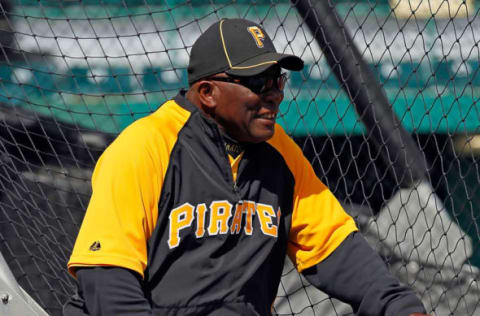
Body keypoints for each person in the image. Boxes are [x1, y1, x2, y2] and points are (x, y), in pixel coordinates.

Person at [64, 18, 428, 316]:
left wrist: (399, 304)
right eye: (258, 82)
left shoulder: (279, 151)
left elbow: (335, 247)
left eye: (277, 79)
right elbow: (106, 278)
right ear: (207, 92)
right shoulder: (146, 146)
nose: (275, 94)